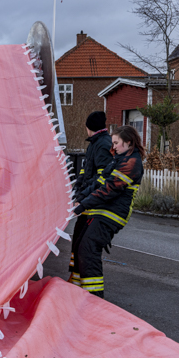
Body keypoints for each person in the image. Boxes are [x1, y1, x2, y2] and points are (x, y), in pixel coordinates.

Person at [70, 125, 145, 298]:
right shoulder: (117, 159)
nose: (114, 147)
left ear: (128, 142)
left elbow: (110, 189)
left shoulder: (132, 163)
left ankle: (94, 297)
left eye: (117, 143)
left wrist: (83, 206)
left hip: (112, 214)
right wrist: (79, 198)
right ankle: (76, 290)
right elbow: (99, 183)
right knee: (80, 245)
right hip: (102, 210)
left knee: (88, 248)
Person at [69, 111, 113, 288]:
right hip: (87, 200)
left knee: (84, 245)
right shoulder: (96, 144)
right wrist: (76, 191)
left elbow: (99, 178)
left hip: (95, 204)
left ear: (89, 127)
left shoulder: (102, 145)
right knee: (78, 241)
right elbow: (85, 172)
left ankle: (86, 288)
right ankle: (75, 278)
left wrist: (82, 196)